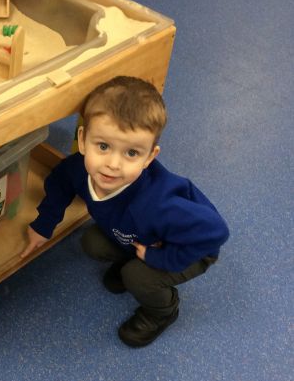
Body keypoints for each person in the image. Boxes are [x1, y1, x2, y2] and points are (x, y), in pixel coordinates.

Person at [21, 76, 229, 347]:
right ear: (82, 140)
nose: (113, 164)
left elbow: (215, 233)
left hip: (191, 248)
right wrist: (43, 225)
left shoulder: (158, 203)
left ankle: (163, 311)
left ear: (149, 157)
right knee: (92, 242)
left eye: (131, 153)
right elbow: (61, 182)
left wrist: (160, 257)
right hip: (138, 235)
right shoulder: (78, 168)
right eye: (103, 146)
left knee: (136, 277)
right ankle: (134, 262)